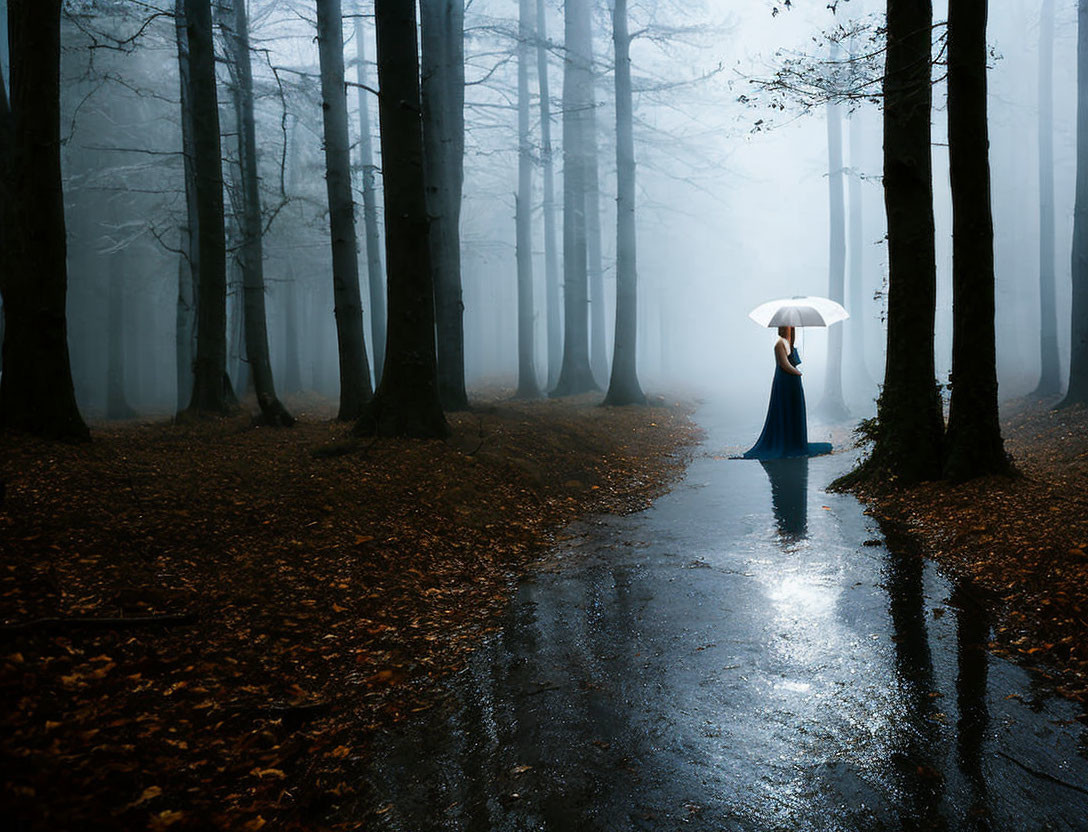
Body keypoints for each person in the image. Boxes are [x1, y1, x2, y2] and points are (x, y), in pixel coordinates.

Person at [741, 326, 832, 459]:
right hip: (785, 380)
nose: (789, 329)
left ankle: (794, 441)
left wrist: (796, 374)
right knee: (784, 409)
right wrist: (798, 373)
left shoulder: (789, 344)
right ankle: (785, 442)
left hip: (793, 381)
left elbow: (791, 355)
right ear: (782, 328)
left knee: (794, 410)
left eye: (791, 327)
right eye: (788, 327)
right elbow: (784, 364)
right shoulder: (779, 344)